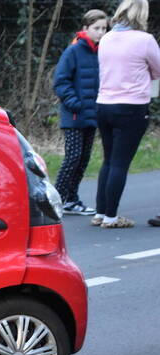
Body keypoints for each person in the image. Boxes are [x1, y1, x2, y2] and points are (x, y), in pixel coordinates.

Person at [91, 0, 160, 228]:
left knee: (108, 160)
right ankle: (111, 217)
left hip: (104, 104)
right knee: (121, 163)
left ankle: (100, 212)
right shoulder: (145, 40)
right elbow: (158, 69)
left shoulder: (107, 38)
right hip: (131, 107)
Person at [53, 9, 109, 216]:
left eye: (104, 28)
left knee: (83, 159)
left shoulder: (103, 50)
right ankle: (56, 201)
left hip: (93, 114)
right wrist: (74, 103)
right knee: (72, 158)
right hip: (74, 115)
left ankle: (72, 199)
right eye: (96, 28)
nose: (101, 33)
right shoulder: (74, 50)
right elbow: (60, 81)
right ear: (85, 28)